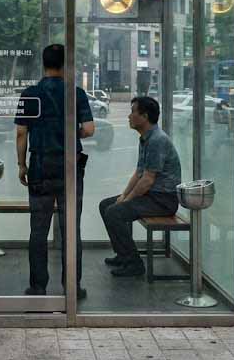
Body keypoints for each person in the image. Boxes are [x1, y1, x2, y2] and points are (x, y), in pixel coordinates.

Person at [15, 44, 94, 298]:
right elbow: (90, 129)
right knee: (72, 227)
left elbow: (20, 132)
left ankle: (38, 286)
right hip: (70, 166)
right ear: (65, 65)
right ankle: (72, 285)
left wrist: (21, 164)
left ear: (44, 64)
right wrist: (71, 133)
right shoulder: (76, 93)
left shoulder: (29, 93)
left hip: (39, 165)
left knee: (38, 229)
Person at [100, 96, 182, 277]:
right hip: (152, 197)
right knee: (106, 205)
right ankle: (123, 255)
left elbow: (147, 180)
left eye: (132, 112)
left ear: (144, 116)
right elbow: (138, 173)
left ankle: (134, 264)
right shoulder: (146, 138)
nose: (129, 116)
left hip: (163, 201)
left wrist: (125, 201)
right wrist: (123, 196)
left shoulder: (157, 140)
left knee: (115, 212)